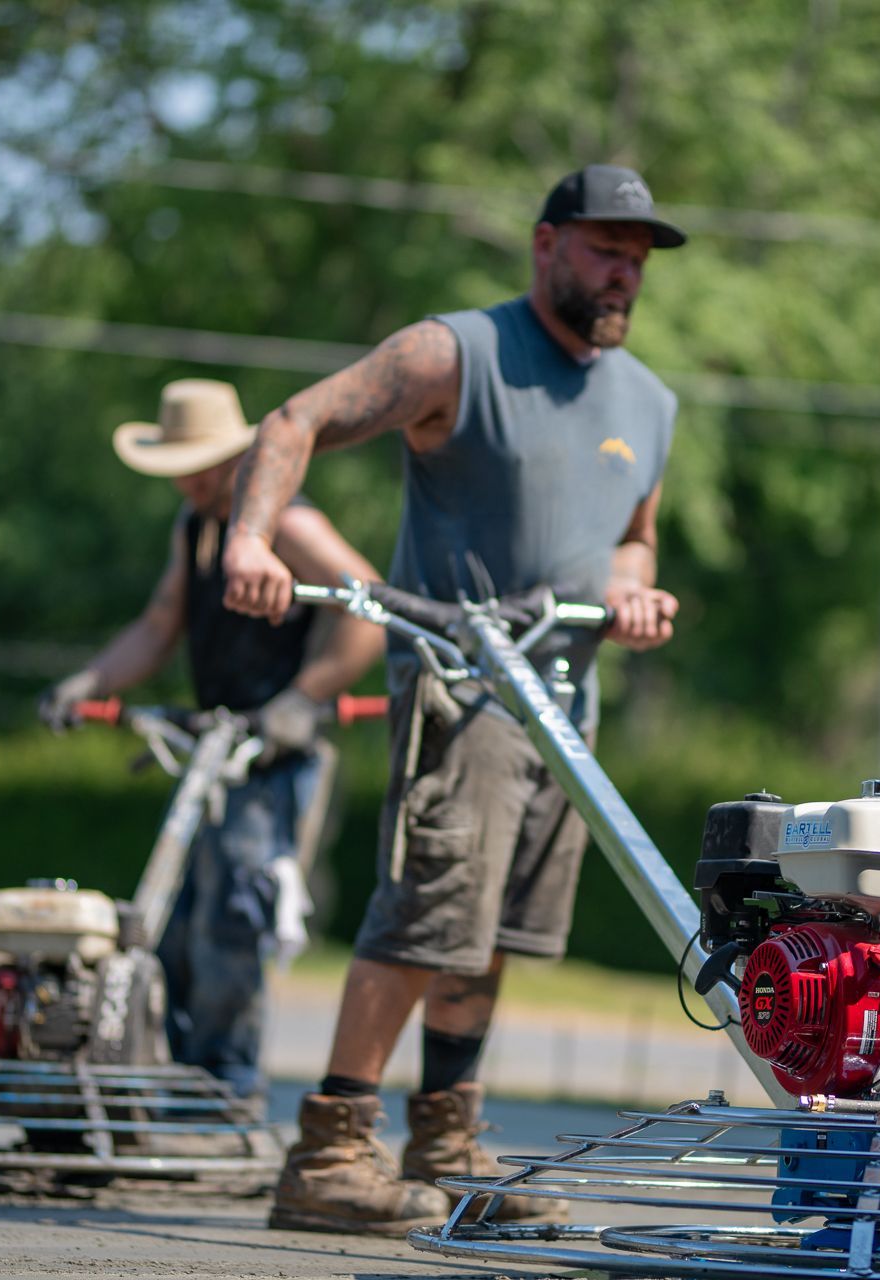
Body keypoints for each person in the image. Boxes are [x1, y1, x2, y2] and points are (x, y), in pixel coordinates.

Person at [222, 164, 686, 1234]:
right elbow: (295, 420)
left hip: (567, 705)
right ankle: (331, 1153)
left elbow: (630, 536)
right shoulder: (457, 354)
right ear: (547, 244)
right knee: (429, 913)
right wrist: (249, 537)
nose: (623, 272)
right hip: (461, 681)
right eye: (605, 248)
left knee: (494, 934)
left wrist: (633, 597)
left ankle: (447, 1144)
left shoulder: (648, 403)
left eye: (638, 256)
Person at [39, 377, 385, 1112]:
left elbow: (368, 607)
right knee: (180, 923)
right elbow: (161, 623)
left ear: (237, 459)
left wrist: (302, 699)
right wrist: (89, 680)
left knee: (236, 914)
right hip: (214, 750)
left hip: (273, 756)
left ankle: (226, 1093)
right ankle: (187, 1079)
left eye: (200, 465)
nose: (189, 482)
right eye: (180, 467)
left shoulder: (286, 524)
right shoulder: (195, 526)